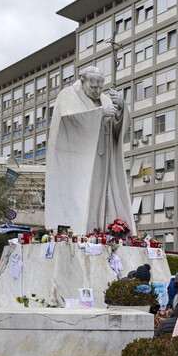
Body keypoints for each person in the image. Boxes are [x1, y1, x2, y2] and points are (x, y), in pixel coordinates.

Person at [44, 66, 134, 235]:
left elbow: (117, 129)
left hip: (103, 157)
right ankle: (80, 231)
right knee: (83, 196)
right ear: (83, 81)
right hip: (79, 161)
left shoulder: (106, 100)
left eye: (101, 87)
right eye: (93, 87)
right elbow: (68, 121)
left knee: (101, 197)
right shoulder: (68, 95)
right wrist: (99, 114)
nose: (97, 91)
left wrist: (121, 108)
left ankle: (99, 230)